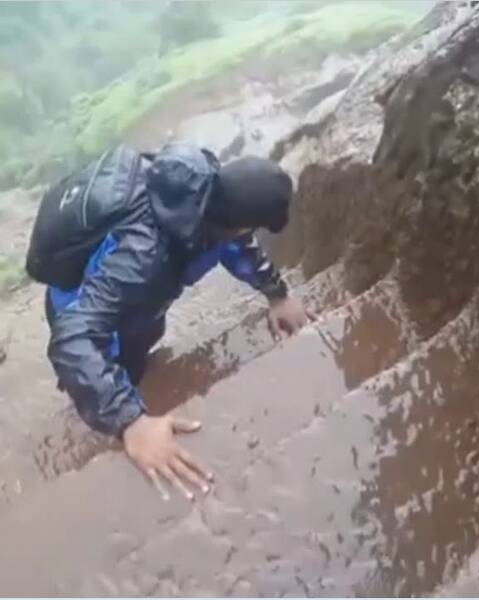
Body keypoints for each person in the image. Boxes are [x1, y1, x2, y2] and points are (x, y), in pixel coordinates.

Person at [33, 144, 310, 502]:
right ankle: (112, 429)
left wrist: (277, 294)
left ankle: (123, 394)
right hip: (81, 305)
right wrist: (130, 422)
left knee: (148, 335)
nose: (247, 232)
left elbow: (237, 244)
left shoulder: (206, 196)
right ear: (236, 219)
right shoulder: (144, 254)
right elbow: (74, 338)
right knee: (118, 367)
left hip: (133, 300)